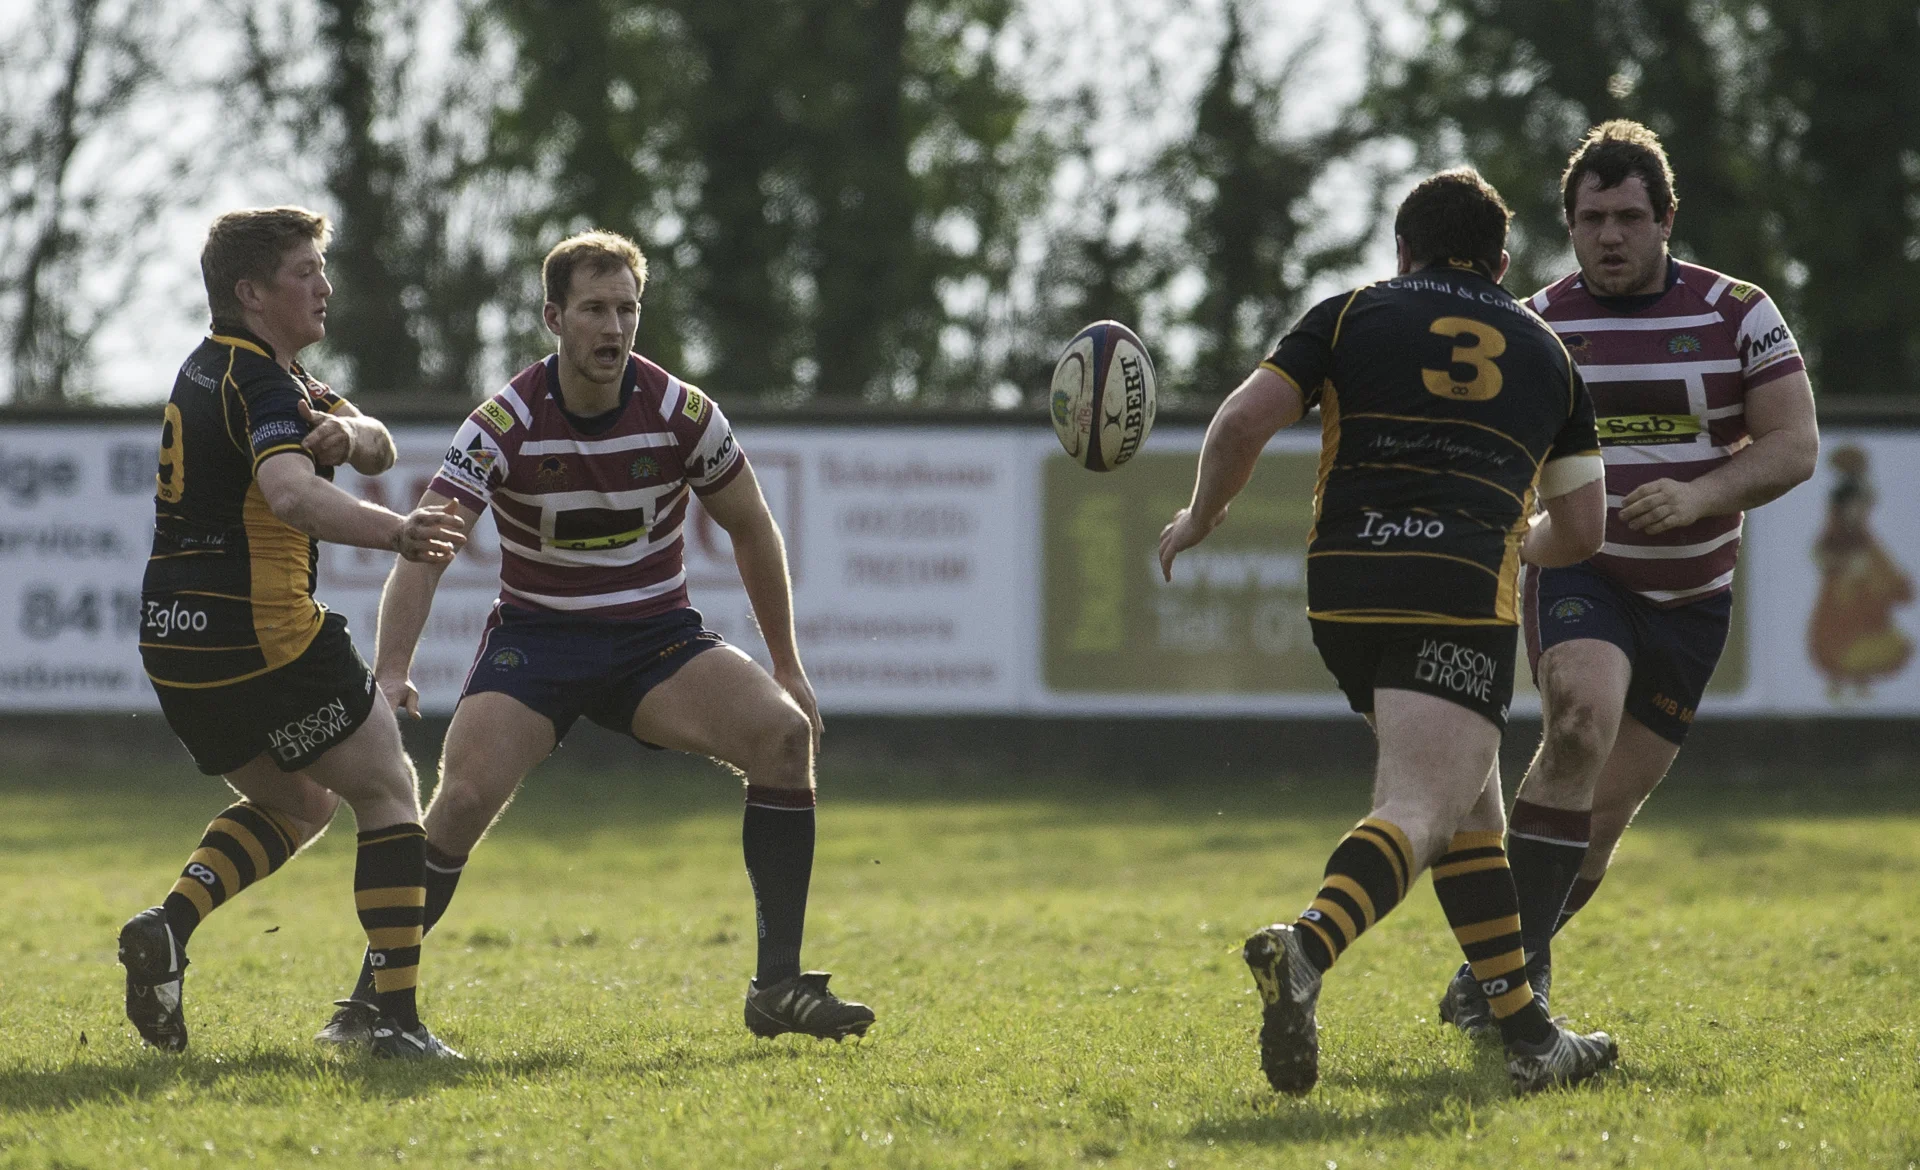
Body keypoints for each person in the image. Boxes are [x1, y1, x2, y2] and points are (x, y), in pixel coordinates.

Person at [313, 230, 874, 1047]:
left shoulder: (683, 413)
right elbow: (427, 546)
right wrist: (392, 668)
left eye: (627, 310)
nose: (613, 328)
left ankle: (778, 987)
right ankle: (368, 1004)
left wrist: (788, 665)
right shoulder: (503, 422)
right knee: (460, 800)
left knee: (784, 736)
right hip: (538, 643)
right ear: (554, 318)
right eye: (594, 310)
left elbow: (753, 528)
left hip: (655, 641)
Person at [1160, 168, 1617, 1095]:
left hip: (1343, 591)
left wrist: (1203, 513)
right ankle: (1306, 948)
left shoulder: (1349, 312)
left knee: (1470, 810)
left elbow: (1242, 421)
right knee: (1423, 807)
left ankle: (1528, 1034)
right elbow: (1584, 530)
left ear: (1403, 250)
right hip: (1455, 591)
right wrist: (1516, 540)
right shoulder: (1549, 355)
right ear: (1500, 263)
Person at [1434, 122, 1820, 1038]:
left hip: (1692, 602)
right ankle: (1515, 988)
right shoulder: (1535, 326)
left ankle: (1490, 971)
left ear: (1666, 219)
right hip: (1584, 573)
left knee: (1601, 819)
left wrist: (1700, 497)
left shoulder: (1737, 312)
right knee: (1577, 726)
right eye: (1592, 219)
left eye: (1629, 218)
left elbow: (1795, 445)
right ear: (1569, 225)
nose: (1610, 236)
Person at [124, 206, 468, 1058]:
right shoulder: (265, 384)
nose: (324, 286)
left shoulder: (224, 368)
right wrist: (398, 532)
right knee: (388, 789)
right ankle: (393, 1023)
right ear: (252, 292)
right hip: (265, 635)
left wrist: (351, 432)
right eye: (304, 271)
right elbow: (290, 495)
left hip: (175, 643)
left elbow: (379, 447)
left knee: (299, 801)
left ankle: (169, 927)